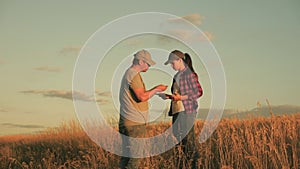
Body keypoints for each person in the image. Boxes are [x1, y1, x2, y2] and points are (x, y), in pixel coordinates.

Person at [118, 49, 168, 169]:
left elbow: (140, 94)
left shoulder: (130, 74)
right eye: (148, 63)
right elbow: (142, 97)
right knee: (135, 159)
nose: (149, 66)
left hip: (128, 122)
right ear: (140, 61)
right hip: (135, 124)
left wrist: (156, 94)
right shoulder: (133, 74)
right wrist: (157, 89)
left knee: (127, 157)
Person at [161, 50, 203, 168]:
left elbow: (199, 92)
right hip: (177, 110)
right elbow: (177, 94)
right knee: (178, 136)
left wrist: (181, 97)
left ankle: (194, 164)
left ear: (179, 60)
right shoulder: (176, 76)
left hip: (187, 111)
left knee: (188, 139)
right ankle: (185, 163)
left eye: (172, 63)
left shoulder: (189, 74)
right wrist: (170, 97)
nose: (171, 66)